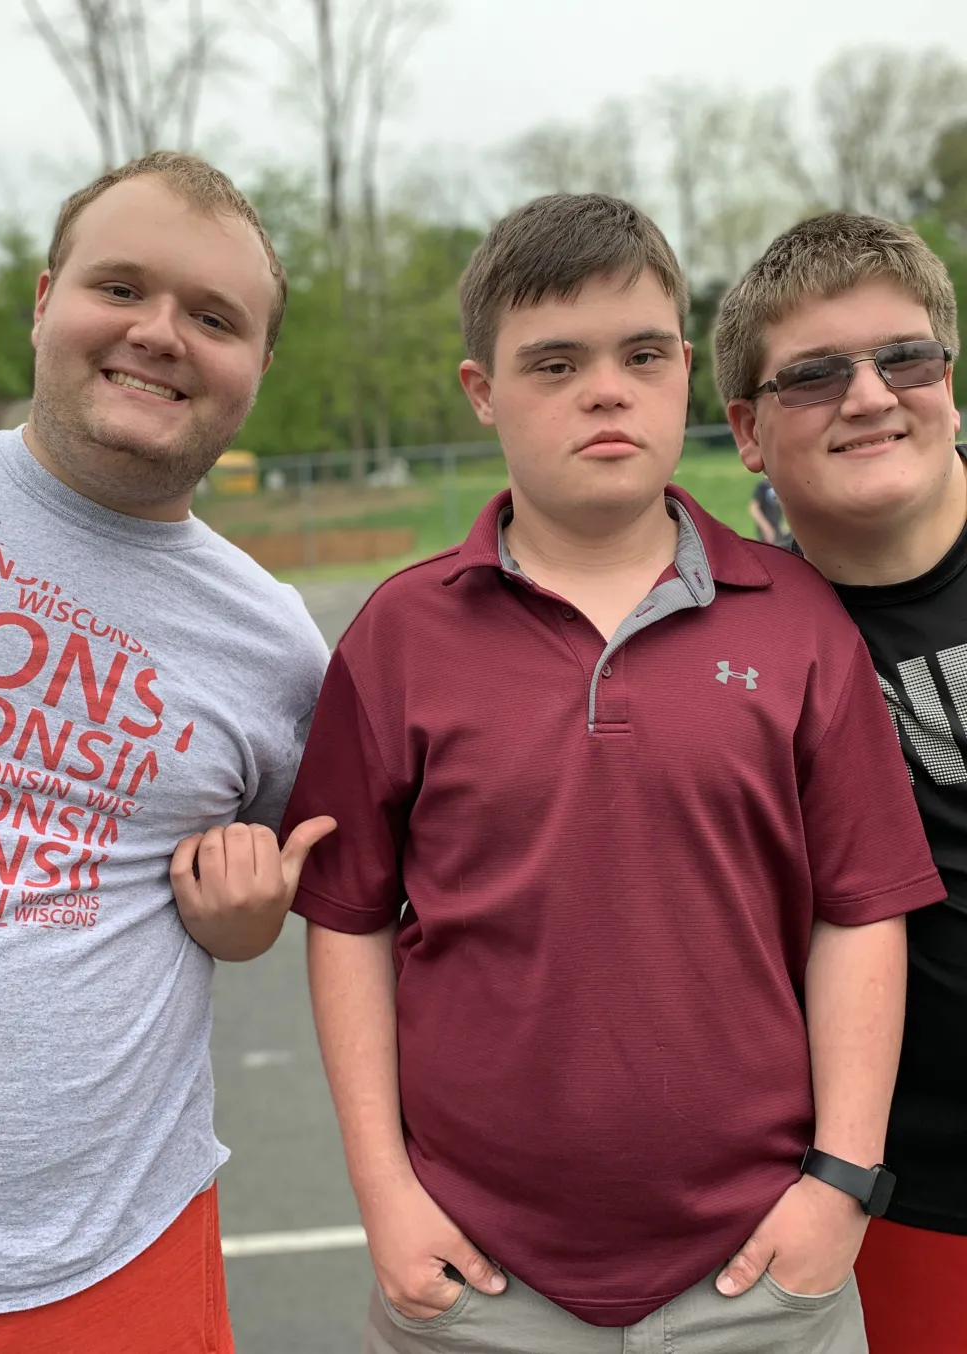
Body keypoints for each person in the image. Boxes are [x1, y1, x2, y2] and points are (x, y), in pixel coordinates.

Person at [281, 193, 944, 1354]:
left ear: (685, 372)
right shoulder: (394, 637)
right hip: (478, 1282)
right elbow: (347, 922)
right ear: (480, 392)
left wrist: (838, 1182)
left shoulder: (797, 620)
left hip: (758, 1274)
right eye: (554, 362)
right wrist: (385, 1196)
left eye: (640, 354)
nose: (604, 388)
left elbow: (861, 912)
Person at [0, 151, 334, 1354]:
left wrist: (244, 916)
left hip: (109, 1255)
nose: (159, 333)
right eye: (119, 286)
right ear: (42, 302)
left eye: (214, 316)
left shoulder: (275, 644)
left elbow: (280, 891)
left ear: (258, 368)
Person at [715, 211, 967, 1354]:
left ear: (947, 384)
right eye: (814, 375)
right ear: (746, 431)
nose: (869, 396)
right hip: (896, 1202)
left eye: (902, 357)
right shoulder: (716, 640)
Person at [749, 474, 793, 548]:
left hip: (778, 533)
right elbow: (754, 508)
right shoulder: (762, 485)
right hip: (766, 534)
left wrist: (782, 525)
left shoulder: (778, 485)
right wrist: (766, 528)